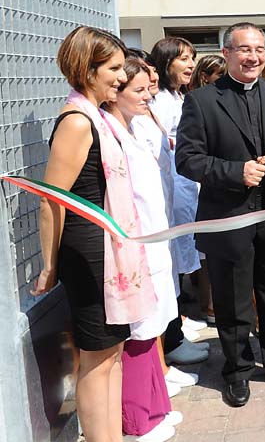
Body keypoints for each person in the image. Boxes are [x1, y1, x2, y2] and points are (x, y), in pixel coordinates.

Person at [175, 22, 265, 408]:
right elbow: (187, 159)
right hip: (228, 215)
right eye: (244, 50)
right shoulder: (201, 100)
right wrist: (235, 172)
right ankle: (236, 370)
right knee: (233, 301)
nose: (253, 57)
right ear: (227, 52)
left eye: (260, 49)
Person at [35, 27, 153, 442]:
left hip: (110, 252)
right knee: (96, 360)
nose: (122, 78)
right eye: (115, 69)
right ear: (88, 70)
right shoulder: (77, 121)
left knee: (113, 356)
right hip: (91, 255)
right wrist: (49, 265)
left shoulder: (99, 116)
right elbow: (51, 200)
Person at [105, 57, 181, 442]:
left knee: (152, 328)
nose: (148, 96)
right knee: (138, 332)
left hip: (155, 239)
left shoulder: (131, 127)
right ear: (114, 93)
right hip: (134, 249)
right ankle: (137, 421)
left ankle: (155, 405)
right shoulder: (109, 133)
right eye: (138, 91)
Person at [150, 38, 205, 345]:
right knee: (173, 259)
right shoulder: (157, 100)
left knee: (183, 255)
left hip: (184, 186)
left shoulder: (178, 96)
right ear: (166, 62)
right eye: (184, 59)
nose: (190, 65)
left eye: (192, 57)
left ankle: (178, 321)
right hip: (171, 187)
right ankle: (174, 328)